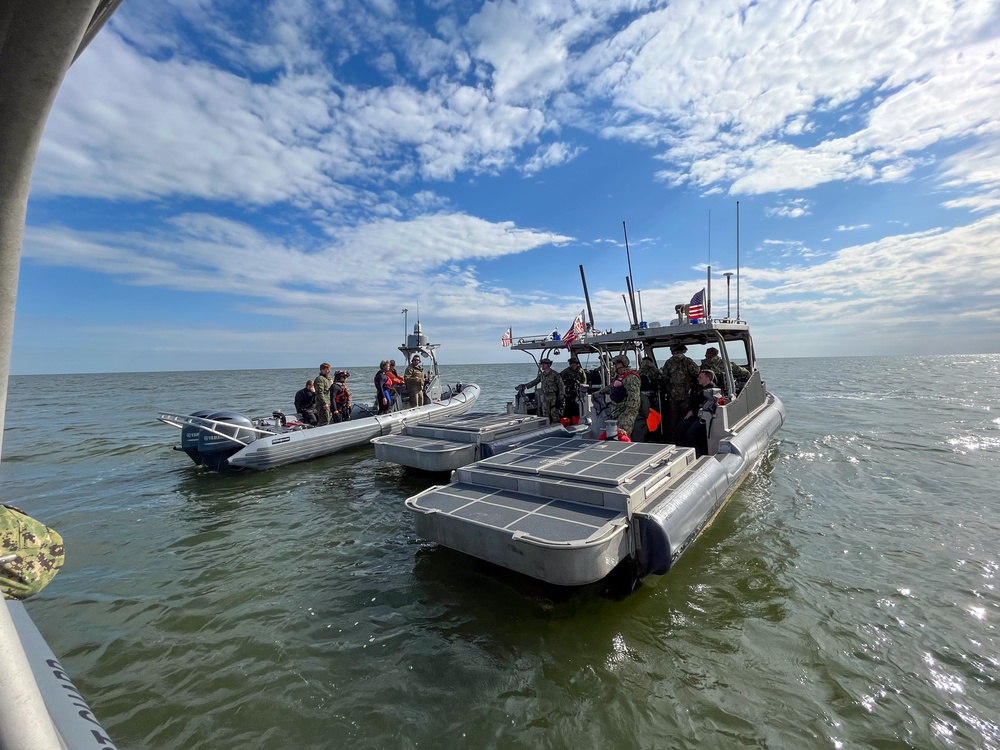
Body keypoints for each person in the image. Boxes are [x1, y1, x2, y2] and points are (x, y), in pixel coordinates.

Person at [674, 370, 722, 456]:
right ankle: (684, 451)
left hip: (703, 417)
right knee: (679, 428)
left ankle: (698, 453)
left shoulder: (711, 392)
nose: (698, 379)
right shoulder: (700, 389)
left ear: (707, 378)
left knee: (691, 434)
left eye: (700, 377)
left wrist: (693, 412)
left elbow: (708, 406)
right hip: (694, 415)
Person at [660, 343, 699, 435]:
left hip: (673, 393)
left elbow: (664, 376)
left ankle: (673, 438)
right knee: (686, 416)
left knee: (673, 417)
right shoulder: (687, 361)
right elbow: (696, 372)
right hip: (686, 393)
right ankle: (685, 438)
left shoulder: (668, 362)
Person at [608, 354, 647, 441]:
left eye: (615, 364)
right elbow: (612, 388)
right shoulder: (619, 377)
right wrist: (600, 392)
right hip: (617, 413)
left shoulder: (631, 378)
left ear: (621, 364)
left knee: (622, 437)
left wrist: (626, 417)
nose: (613, 366)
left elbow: (634, 401)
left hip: (626, 414)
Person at [518, 357, 565, 423]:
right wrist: (525, 386)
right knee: (545, 413)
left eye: (543, 364)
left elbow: (561, 385)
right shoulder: (542, 375)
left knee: (554, 413)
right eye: (541, 364)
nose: (541, 365)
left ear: (548, 365)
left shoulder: (555, 374)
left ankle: (556, 425)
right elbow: (535, 381)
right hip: (545, 396)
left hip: (554, 396)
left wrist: (561, 395)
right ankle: (547, 426)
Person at [560, 356, 587, 422]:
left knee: (577, 406)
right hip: (569, 391)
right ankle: (568, 419)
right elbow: (560, 377)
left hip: (578, 391)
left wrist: (582, 388)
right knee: (568, 406)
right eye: (570, 363)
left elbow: (584, 380)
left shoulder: (580, 371)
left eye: (572, 363)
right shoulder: (566, 371)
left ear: (576, 364)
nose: (571, 365)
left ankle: (577, 419)